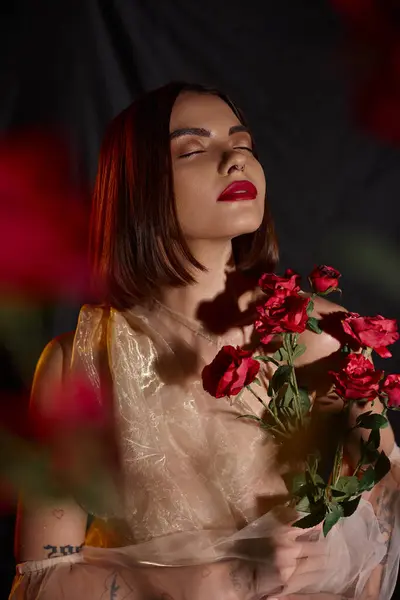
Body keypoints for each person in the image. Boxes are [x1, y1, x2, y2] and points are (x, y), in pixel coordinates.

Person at [9, 82, 400, 600]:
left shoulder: (324, 338)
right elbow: (44, 576)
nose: (234, 160)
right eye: (193, 149)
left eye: (243, 145)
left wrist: (340, 553)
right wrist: (219, 580)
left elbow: (385, 503)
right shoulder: (82, 361)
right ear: (137, 185)